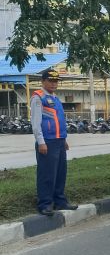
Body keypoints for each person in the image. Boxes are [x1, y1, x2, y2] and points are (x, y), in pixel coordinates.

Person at [31, 68, 78, 216]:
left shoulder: (55, 98)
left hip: (58, 141)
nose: (53, 84)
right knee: (47, 174)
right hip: (47, 142)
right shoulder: (38, 98)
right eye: (50, 81)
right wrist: (41, 142)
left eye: (55, 81)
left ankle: (60, 202)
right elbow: (36, 123)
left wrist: (63, 139)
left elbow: (59, 121)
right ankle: (44, 204)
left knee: (60, 173)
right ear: (43, 81)